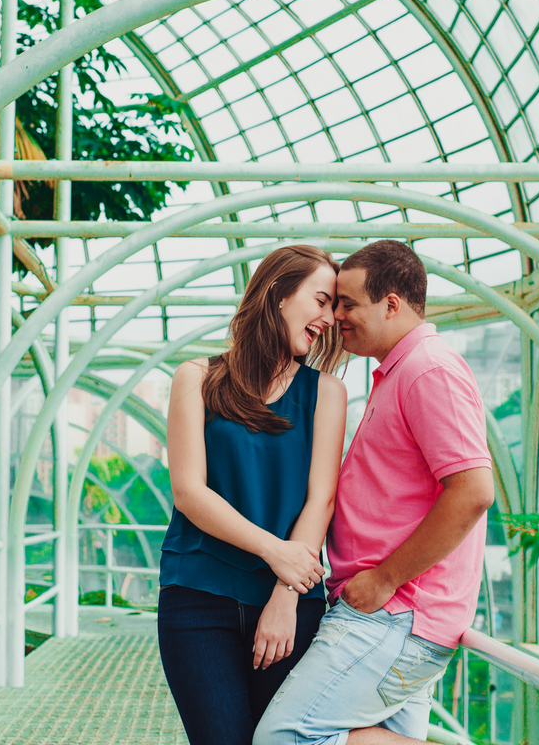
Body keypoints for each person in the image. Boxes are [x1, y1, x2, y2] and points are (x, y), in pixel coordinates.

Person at [254, 240, 495, 745]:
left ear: (392, 304)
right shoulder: (401, 372)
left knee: (284, 737)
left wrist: (385, 579)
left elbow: (473, 491)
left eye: (348, 303)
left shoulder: (429, 370)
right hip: (392, 615)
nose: (337, 316)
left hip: (393, 615)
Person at [158, 244, 349, 745]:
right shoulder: (195, 378)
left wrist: (286, 595)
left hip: (289, 603)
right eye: (322, 300)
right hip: (197, 601)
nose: (330, 318)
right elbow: (189, 492)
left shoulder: (326, 392)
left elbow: (320, 501)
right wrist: (275, 551)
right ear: (277, 293)